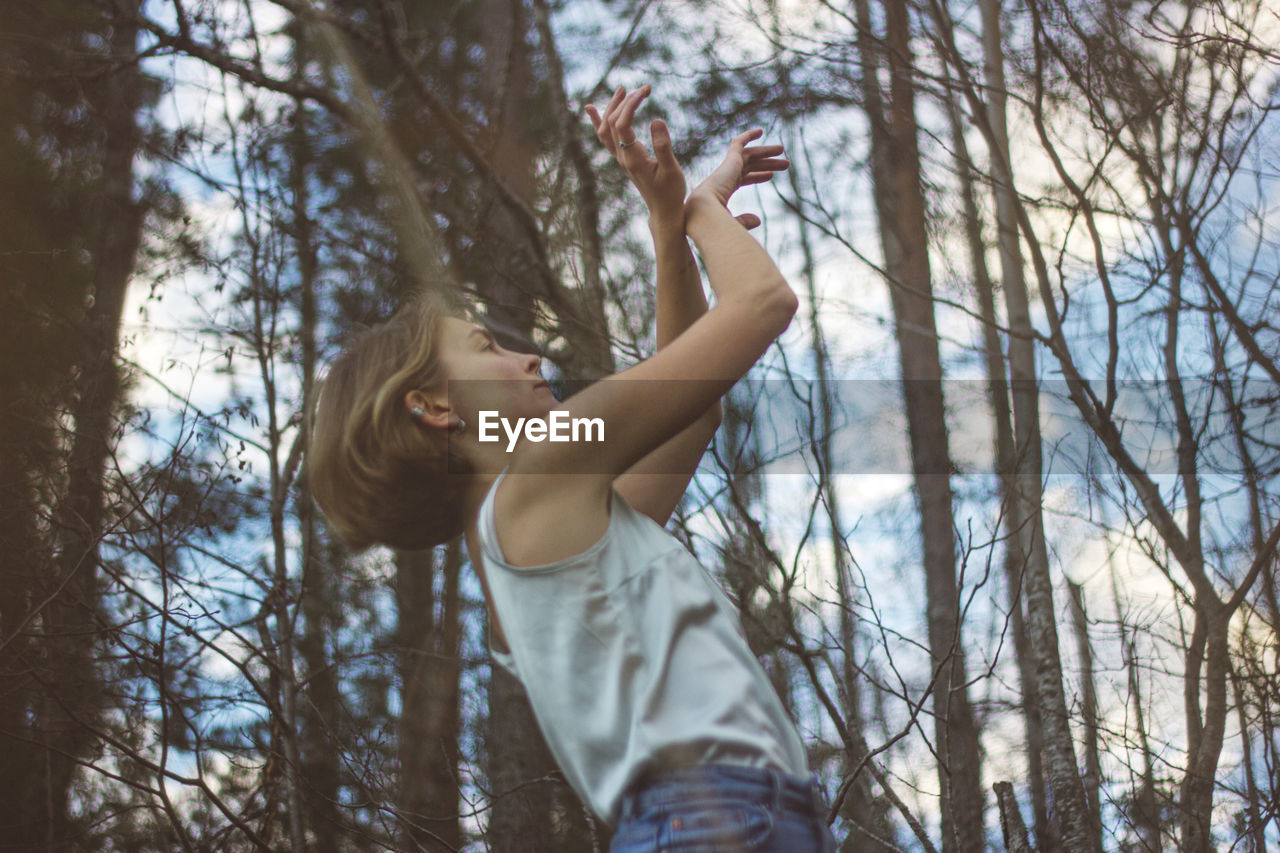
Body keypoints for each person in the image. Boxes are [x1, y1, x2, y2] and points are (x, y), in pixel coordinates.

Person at [308, 84, 837, 853]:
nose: (527, 355)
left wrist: (666, 234)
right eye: (486, 348)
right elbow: (759, 303)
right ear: (436, 407)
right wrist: (699, 211)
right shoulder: (545, 477)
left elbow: (696, 408)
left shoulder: (538, 529)